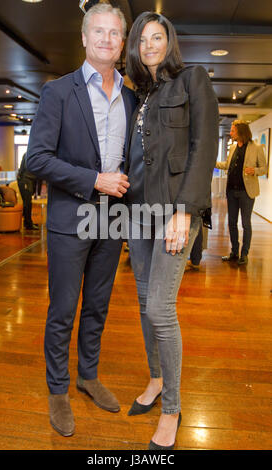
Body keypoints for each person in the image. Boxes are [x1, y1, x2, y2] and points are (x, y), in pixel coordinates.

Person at [26, 3, 136, 437]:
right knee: (64, 308)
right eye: (99, 32)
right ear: (85, 39)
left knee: (98, 304)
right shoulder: (58, 92)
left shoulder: (130, 96)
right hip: (72, 215)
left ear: (122, 43)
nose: (106, 39)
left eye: (114, 33)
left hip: (111, 220)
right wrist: (96, 180)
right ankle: (57, 390)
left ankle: (87, 376)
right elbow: (36, 159)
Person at [125, 12, 219, 450]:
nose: (149, 46)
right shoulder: (140, 94)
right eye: (142, 40)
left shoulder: (191, 80)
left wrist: (185, 211)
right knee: (145, 302)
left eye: (157, 37)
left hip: (174, 213)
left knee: (161, 309)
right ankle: (157, 377)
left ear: (169, 40)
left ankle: (172, 408)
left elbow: (204, 146)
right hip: (139, 212)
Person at [216, 120, 267, 265]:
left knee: (245, 223)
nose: (230, 133)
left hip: (246, 192)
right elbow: (226, 165)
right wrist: (211, 162)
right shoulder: (232, 147)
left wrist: (255, 171)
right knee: (231, 223)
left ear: (241, 132)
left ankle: (244, 254)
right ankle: (234, 251)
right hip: (231, 191)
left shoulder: (256, 147)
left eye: (233, 131)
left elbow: (264, 168)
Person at [17, 152, 39, 230]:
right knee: (27, 203)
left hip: (28, 180)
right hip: (25, 180)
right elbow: (24, 169)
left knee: (27, 203)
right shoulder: (29, 154)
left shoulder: (33, 154)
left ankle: (28, 222)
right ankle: (28, 224)